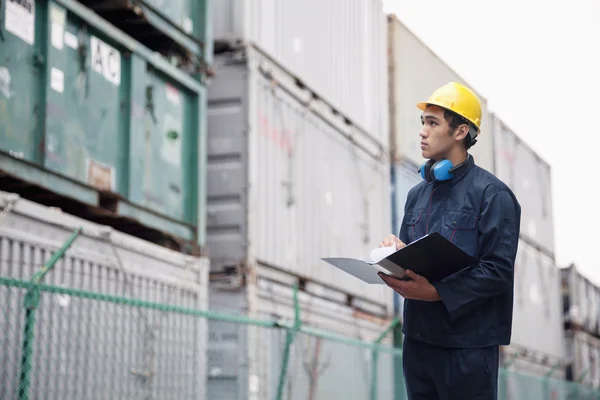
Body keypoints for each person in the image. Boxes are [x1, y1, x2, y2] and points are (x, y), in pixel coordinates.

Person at [378, 82, 521, 399]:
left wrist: (436, 292)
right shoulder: (417, 194)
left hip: (466, 348)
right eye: (423, 122)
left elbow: (497, 271)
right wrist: (396, 253)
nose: (423, 132)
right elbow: (413, 255)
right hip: (417, 343)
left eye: (433, 123)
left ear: (460, 132)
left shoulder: (492, 195)